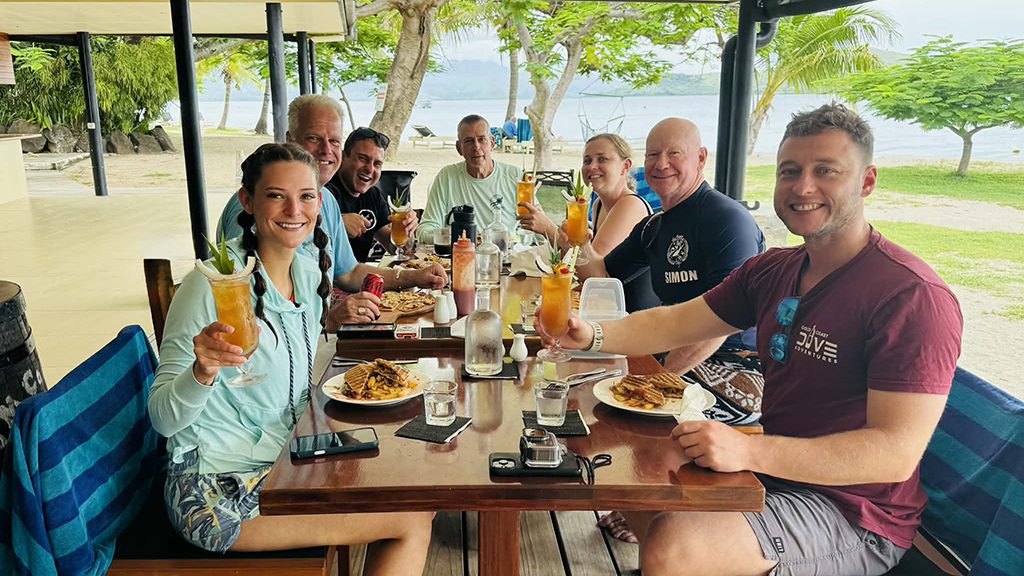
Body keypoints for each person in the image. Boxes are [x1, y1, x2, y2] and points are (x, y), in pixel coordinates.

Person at [541, 104, 964, 576]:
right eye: (790, 171)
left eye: (825, 171)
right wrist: (592, 333)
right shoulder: (774, 270)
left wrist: (748, 450)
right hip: (775, 472)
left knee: (674, 546)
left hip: (855, 513)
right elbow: (678, 321)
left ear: (866, 182)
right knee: (632, 453)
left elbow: (894, 453)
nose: (803, 187)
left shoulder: (909, 295)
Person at [151, 143, 433, 574]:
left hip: (288, 458)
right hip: (216, 490)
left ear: (321, 203)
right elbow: (163, 419)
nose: (294, 209)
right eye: (275, 195)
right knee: (412, 517)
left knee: (413, 479)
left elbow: (297, 366)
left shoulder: (308, 272)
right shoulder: (211, 286)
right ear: (247, 201)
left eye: (306, 196)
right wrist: (202, 371)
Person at [574, 119, 766, 424]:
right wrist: (574, 238)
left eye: (674, 153)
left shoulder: (727, 220)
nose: (661, 164)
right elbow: (601, 275)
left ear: (700, 158)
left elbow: (723, 322)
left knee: (629, 417)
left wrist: (659, 379)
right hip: (670, 351)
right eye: (652, 155)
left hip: (736, 366)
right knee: (581, 389)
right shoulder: (655, 226)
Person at [217, 95, 446, 324]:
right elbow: (243, 315)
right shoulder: (258, 205)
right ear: (290, 139)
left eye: (334, 141)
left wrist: (415, 276)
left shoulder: (326, 199)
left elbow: (349, 273)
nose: (326, 150)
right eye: (314, 138)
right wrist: (328, 319)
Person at [518, 133, 659, 312]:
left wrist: (548, 229)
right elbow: (581, 265)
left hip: (630, 317)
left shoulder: (630, 205)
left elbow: (594, 274)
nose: (592, 166)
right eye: (587, 160)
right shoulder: (599, 204)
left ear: (625, 166)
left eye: (602, 159)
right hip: (604, 307)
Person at [416, 114, 520, 245]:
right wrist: (459, 236)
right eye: (469, 141)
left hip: (504, 258)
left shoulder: (514, 176)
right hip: (458, 257)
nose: (476, 147)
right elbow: (424, 230)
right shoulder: (447, 177)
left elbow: (534, 226)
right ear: (459, 148)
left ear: (492, 142)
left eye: (482, 139)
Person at [327, 126, 418, 262]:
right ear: (344, 157)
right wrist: (338, 223)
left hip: (357, 278)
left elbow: (392, 246)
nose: (370, 169)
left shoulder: (372, 195)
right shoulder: (327, 191)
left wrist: (407, 231)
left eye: (377, 164)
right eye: (363, 159)